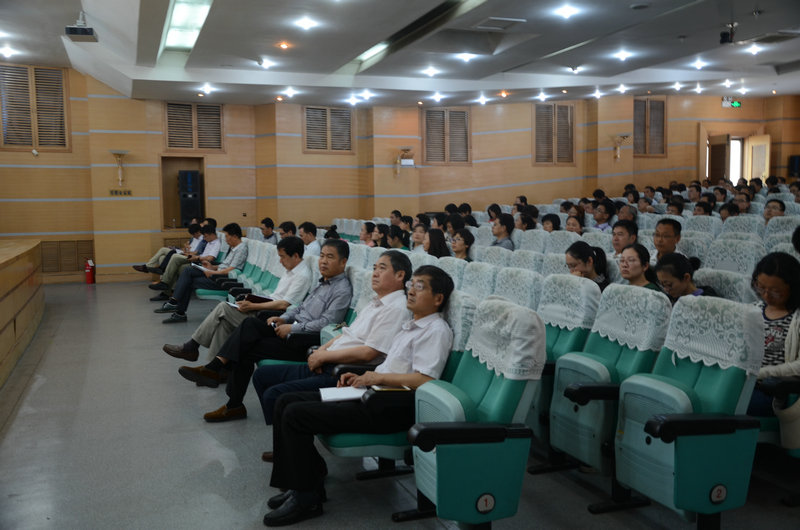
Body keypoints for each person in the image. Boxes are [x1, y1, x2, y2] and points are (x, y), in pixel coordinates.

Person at [261, 265, 454, 527]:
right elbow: (388, 368)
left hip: (389, 406)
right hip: (372, 394)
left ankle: (307, 499)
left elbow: (425, 380)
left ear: (438, 298)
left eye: (419, 287)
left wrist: (376, 378)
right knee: (285, 401)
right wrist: (361, 376)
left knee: (296, 414)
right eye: (412, 284)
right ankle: (303, 484)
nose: (411, 291)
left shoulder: (436, 330)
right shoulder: (412, 326)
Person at [178, 239, 353, 420]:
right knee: (248, 335)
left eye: (330, 257)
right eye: (322, 256)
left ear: (343, 262)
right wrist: (283, 318)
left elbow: (326, 323)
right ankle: (231, 399)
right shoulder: (322, 283)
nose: (323, 261)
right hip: (291, 331)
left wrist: (292, 327)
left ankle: (219, 375)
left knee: (248, 333)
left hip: (303, 340)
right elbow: (300, 308)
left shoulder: (341, 290)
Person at [252, 251, 412, 429]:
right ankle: (285, 434)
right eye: (374, 268)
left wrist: (324, 356)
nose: (375, 273)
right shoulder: (374, 303)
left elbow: (369, 353)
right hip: (327, 361)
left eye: (382, 268)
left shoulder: (396, 308)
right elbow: (346, 333)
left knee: (277, 396)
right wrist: (320, 351)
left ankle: (287, 435)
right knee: (262, 376)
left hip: (341, 371)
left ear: (400, 275)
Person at [161, 236, 312, 363]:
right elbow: (275, 298)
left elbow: (284, 304)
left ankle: (192, 347)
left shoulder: (302, 276)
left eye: (282, 257)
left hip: (271, 318)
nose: (280, 261)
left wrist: (253, 306)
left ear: (296, 256)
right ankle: (215, 369)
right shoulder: (290, 270)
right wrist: (253, 300)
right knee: (224, 324)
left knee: (223, 308)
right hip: (264, 307)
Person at [155, 223, 249, 323]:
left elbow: (231, 270)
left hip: (222, 280)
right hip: (217, 274)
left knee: (188, 273)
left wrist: (212, 272)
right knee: (188, 274)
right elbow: (224, 265)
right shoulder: (234, 248)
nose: (225, 240)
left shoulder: (241, 249)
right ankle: (177, 309)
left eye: (227, 236)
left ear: (234, 236)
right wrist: (212, 267)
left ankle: (175, 306)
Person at [747, 252, 800, 416]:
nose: (766, 295)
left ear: (792, 288)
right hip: (745, 381)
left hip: (773, 390)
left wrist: (761, 373)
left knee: (727, 401)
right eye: (761, 287)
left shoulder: (796, 318)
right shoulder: (752, 310)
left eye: (775, 291)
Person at [146, 224, 222, 295]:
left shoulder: (216, 244)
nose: (204, 239)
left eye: (205, 236)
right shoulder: (209, 242)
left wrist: (197, 257)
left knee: (175, 257)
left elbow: (210, 258)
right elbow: (201, 254)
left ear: (212, 234)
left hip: (201, 262)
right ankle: (167, 291)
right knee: (169, 260)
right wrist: (192, 255)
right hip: (197, 258)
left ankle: (165, 283)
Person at [133, 223, 202, 274]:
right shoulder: (193, 238)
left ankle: (149, 267)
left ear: (198, 232)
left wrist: (187, 252)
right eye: (192, 235)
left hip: (189, 255)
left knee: (170, 252)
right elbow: (186, 246)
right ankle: (149, 267)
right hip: (184, 252)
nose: (193, 236)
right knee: (162, 254)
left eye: (194, 234)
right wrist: (185, 247)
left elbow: (197, 252)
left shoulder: (202, 240)